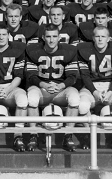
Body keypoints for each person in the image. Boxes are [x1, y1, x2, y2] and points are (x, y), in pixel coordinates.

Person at [26, 24, 80, 152]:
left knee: (75, 98)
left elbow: (72, 76)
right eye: (48, 36)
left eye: (54, 36)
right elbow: (30, 75)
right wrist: (43, 85)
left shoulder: (69, 50)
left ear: (59, 37)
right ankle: (33, 135)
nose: (51, 40)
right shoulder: (33, 50)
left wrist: (61, 85)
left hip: (60, 89)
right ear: (43, 37)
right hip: (41, 89)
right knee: (32, 98)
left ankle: (68, 135)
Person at [78, 26, 112, 149]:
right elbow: (85, 75)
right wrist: (94, 92)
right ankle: (89, 135)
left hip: (111, 87)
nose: (100, 39)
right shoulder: (84, 50)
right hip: (91, 88)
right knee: (82, 105)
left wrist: (110, 92)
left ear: (109, 38)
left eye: (103, 36)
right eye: (97, 36)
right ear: (93, 38)